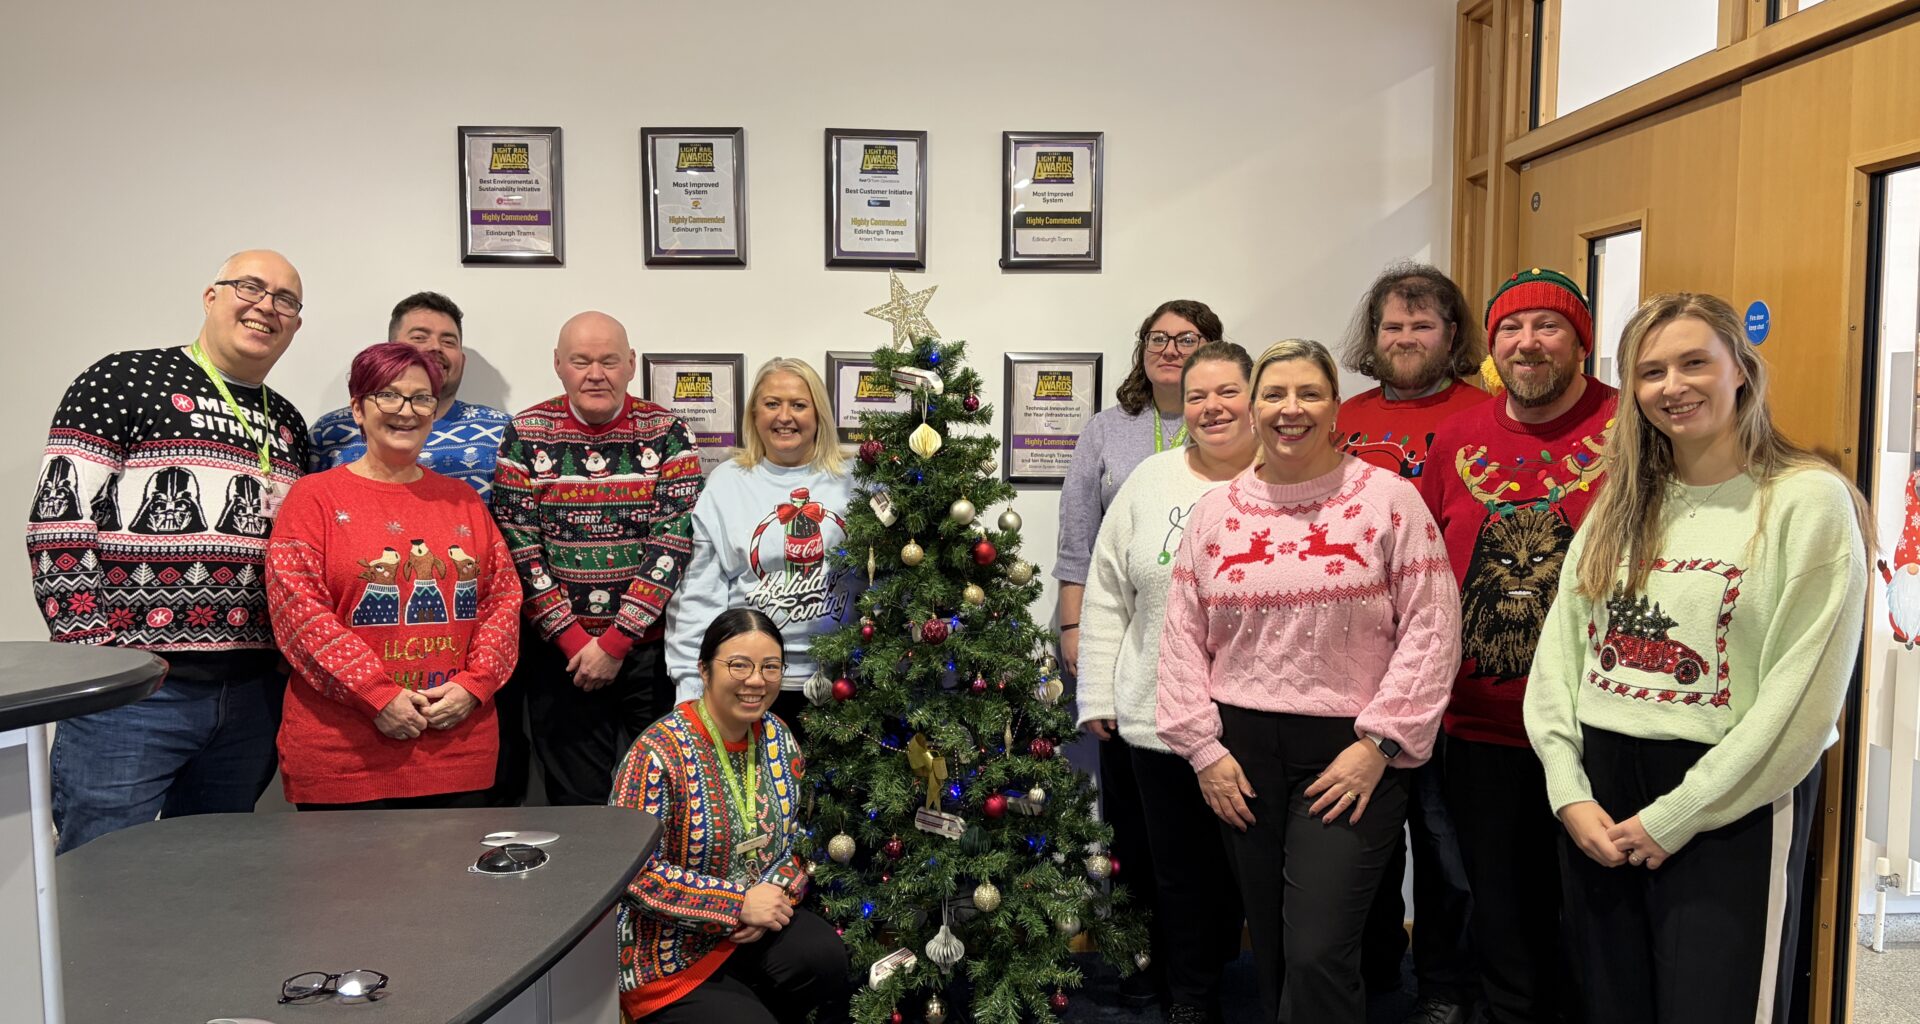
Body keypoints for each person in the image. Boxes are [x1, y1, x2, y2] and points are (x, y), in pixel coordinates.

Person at [1525, 293, 1869, 1023]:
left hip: (1729, 798)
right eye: (1650, 372)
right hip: (1602, 789)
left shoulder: (1807, 502)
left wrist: (1678, 814)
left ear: (1740, 370)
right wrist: (1568, 788)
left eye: (1693, 363)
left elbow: (1800, 697)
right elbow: (1560, 657)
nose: (1672, 387)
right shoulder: (1624, 503)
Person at [1157, 339, 1460, 1024]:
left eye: (1309, 394)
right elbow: (1179, 639)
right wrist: (1203, 751)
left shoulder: (1388, 501)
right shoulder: (1215, 513)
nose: (1290, 409)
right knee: (1273, 946)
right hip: (1241, 751)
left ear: (1335, 408)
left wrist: (1379, 745)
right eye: (1274, 394)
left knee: (1319, 948)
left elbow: (1433, 627)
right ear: (1255, 407)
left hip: (1350, 748)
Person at [28, 249, 309, 852]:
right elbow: (58, 519)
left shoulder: (288, 423)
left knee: (211, 879)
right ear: (212, 297)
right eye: (251, 288)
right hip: (133, 694)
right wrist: (95, 659)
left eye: (286, 300)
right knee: (100, 873)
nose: (266, 306)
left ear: (296, 324)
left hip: (250, 697)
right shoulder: (124, 378)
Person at [1418, 267, 1615, 1024]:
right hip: (1481, 726)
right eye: (1511, 329)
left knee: (1589, 918)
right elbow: (1428, 562)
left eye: (1549, 326)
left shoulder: (1630, 427)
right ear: (1493, 344)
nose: (1528, 343)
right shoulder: (1459, 438)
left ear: (1580, 342)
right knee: (1500, 916)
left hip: (1597, 723)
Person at [1077, 341, 1255, 1024]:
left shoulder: (1281, 481)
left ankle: (1236, 979)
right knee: (1170, 872)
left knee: (1240, 873)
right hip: (1152, 717)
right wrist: (1098, 692)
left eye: (1228, 392)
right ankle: (1191, 998)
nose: (1211, 407)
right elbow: (1106, 595)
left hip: (1252, 719)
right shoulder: (1150, 481)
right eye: (1199, 395)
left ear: (1255, 396)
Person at [1056, 298, 1224, 1006]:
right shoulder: (1107, 430)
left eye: (1187, 339)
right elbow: (1078, 539)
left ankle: (1203, 968)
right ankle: (1139, 958)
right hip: (1124, 647)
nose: (1170, 348)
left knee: (1204, 835)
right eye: (1158, 337)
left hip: (1212, 660)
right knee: (1133, 823)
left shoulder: (1232, 430)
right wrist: (1072, 633)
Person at [265, 343, 521, 809]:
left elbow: (501, 600)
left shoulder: (463, 500)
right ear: (358, 408)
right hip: (344, 758)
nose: (407, 411)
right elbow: (299, 615)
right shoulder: (313, 498)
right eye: (389, 395)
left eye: (421, 398)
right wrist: (377, 696)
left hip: (456, 754)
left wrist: (474, 686)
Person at [1338, 262, 1489, 1023]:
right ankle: (1373, 973)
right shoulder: (1342, 418)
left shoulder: (1486, 416)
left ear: (1451, 335)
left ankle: (1442, 986)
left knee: (1444, 849)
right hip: (1355, 670)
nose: (1404, 338)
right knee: (1363, 846)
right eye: (1392, 326)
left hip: (1452, 675)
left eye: (1421, 326)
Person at [491, 310, 704, 805]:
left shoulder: (669, 432)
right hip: (559, 656)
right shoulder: (526, 433)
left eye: (609, 360)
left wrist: (614, 642)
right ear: (558, 365)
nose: (595, 373)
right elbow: (519, 549)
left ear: (631, 363)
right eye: (581, 361)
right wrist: (573, 642)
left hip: (648, 654)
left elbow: (673, 542)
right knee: (576, 807)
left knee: (671, 800)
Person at [611, 608, 848, 1024]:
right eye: (739, 665)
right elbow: (633, 875)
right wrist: (736, 905)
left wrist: (773, 899)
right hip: (668, 953)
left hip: (751, 932)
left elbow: (800, 839)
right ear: (704, 670)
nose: (756, 680)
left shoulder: (777, 735)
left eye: (770, 667)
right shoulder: (657, 754)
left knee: (825, 959)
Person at [666, 358, 854, 727]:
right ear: (754, 413)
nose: (785, 416)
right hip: (747, 688)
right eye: (772, 404)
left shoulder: (856, 483)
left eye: (798, 405)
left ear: (819, 414)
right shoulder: (726, 483)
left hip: (846, 683)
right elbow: (698, 598)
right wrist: (690, 691)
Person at [307, 291, 511, 496]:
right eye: (420, 337)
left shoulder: (503, 432)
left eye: (448, 341)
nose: (435, 347)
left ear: (462, 360)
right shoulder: (329, 433)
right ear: (391, 350)